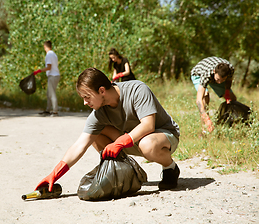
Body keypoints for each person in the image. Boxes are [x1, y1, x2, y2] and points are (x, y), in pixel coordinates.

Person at [35, 67, 180, 193]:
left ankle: (170, 168)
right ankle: (126, 171)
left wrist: (120, 143)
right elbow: (80, 145)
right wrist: (55, 174)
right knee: (95, 135)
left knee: (147, 144)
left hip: (162, 136)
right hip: (132, 140)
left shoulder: (137, 89)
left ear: (102, 90)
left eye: (87, 97)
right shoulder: (98, 114)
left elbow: (148, 125)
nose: (85, 102)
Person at [191, 56, 236, 132]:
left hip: (214, 76)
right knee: (205, 96)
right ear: (214, 71)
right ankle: (205, 130)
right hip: (198, 74)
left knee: (232, 99)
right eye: (218, 79)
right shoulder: (206, 74)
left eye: (223, 80)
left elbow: (228, 81)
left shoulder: (230, 69)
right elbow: (199, 100)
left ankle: (228, 124)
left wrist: (227, 94)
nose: (219, 82)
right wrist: (206, 119)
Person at [33, 40, 60, 117]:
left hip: (53, 75)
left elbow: (49, 67)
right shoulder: (54, 54)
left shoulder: (48, 55)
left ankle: (55, 111)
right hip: (56, 75)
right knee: (49, 93)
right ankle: (48, 110)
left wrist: (39, 71)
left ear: (45, 47)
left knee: (52, 94)